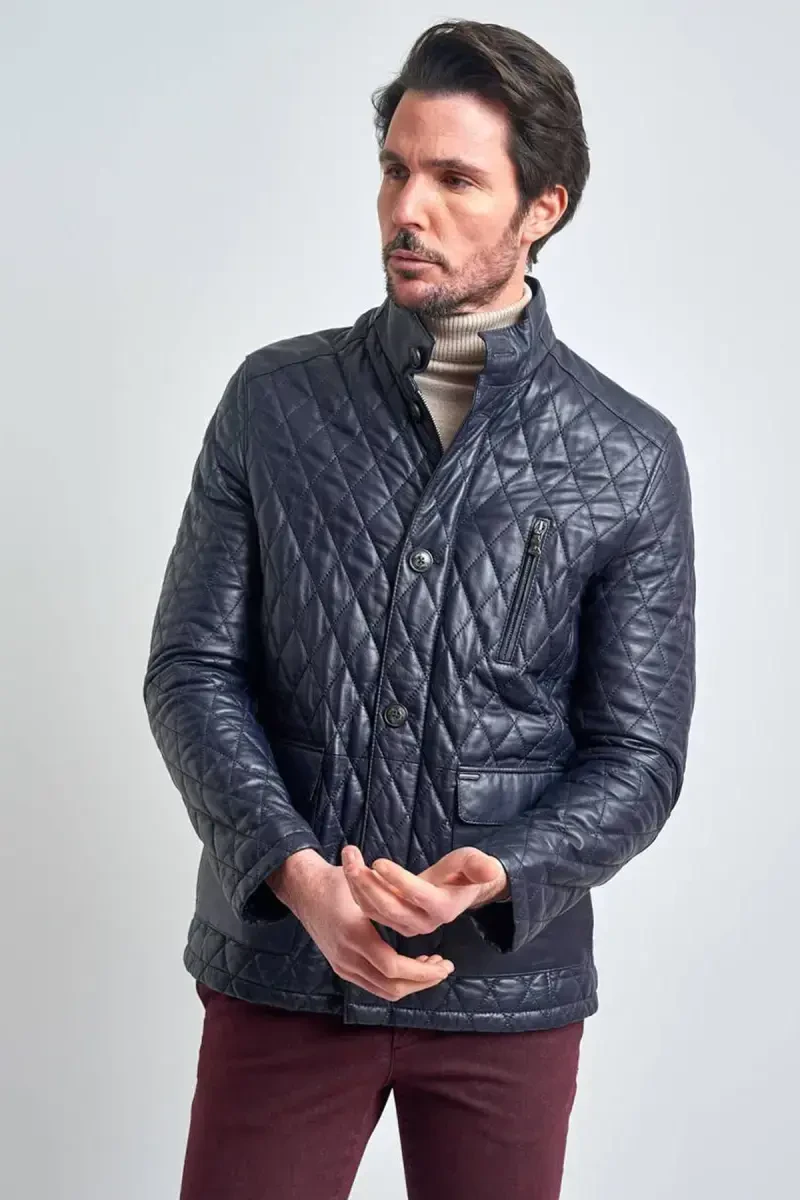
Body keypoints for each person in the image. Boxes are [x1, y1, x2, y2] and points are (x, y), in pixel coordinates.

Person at [143, 18, 696, 1200]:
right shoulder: (274, 404)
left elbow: (636, 755)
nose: (407, 208)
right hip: (282, 970)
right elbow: (191, 669)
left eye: (453, 178)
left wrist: (497, 872)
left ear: (541, 207)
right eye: (395, 169)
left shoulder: (625, 457)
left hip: (506, 990)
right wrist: (297, 873)